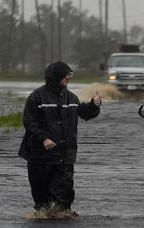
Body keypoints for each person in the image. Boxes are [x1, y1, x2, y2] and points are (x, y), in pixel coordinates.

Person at [18, 61, 102, 213]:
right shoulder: (36, 97)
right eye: (66, 75)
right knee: (42, 202)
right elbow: (29, 122)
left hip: (64, 156)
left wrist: (93, 106)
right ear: (56, 76)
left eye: (70, 75)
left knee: (63, 200)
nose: (69, 78)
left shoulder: (72, 98)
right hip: (40, 157)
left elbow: (85, 113)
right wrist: (44, 138)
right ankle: (44, 220)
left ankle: (62, 220)